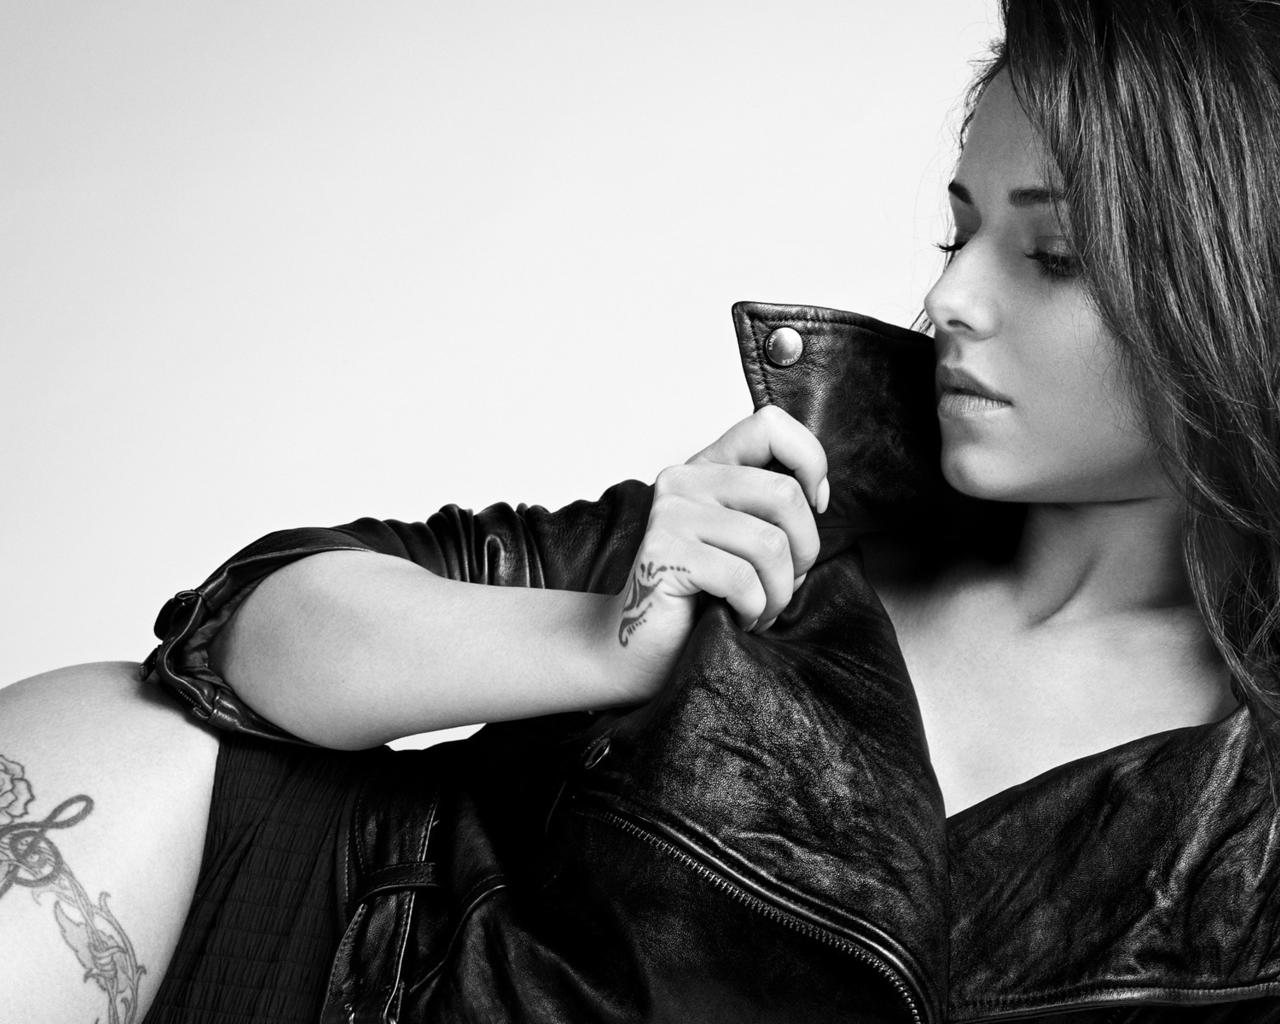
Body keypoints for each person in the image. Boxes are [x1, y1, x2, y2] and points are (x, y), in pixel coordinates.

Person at [4, 0, 1280, 1020]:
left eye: (1051, 256)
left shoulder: (1245, 826)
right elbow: (241, 641)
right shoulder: (802, 501)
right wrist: (608, 637)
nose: (948, 300)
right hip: (280, 925)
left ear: (1233, 292)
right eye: (957, 236)